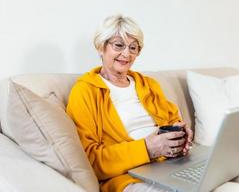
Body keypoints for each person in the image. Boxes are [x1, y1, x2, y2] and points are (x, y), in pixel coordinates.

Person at [66, 14, 193, 192]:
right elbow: (91, 160)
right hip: (128, 176)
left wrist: (180, 135)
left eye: (133, 48)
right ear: (101, 46)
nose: (127, 54)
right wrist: (148, 149)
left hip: (168, 166)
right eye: (119, 45)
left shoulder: (148, 84)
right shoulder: (85, 91)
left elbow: (172, 120)